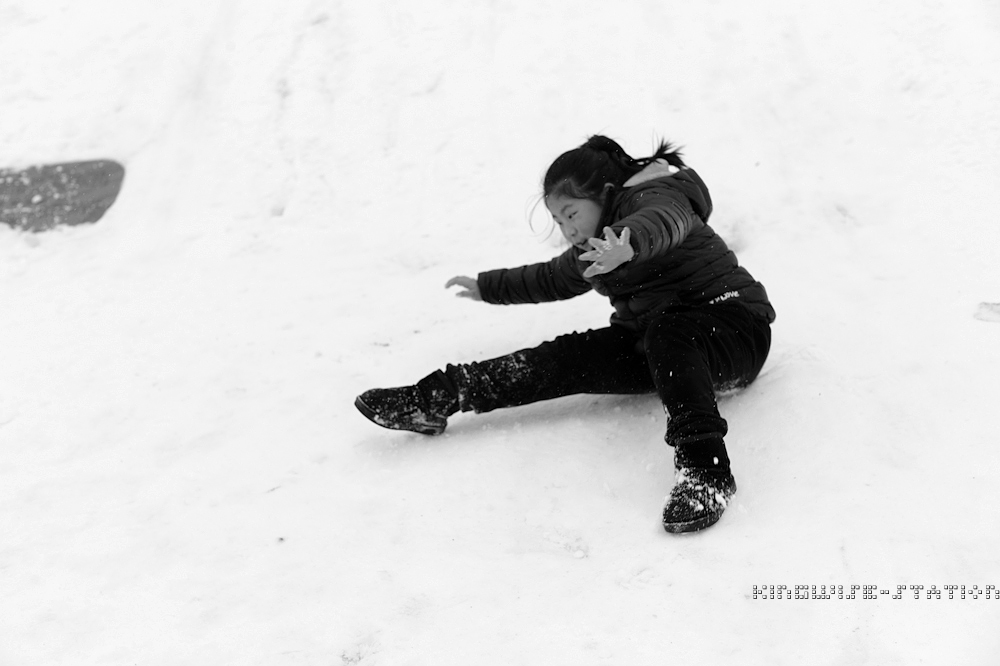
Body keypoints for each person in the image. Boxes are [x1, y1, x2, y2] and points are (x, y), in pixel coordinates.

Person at [354, 135, 775, 533]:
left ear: (606, 193)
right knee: (569, 356)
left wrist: (628, 244)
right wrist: (488, 286)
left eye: (571, 214)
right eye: (559, 220)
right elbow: (550, 278)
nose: (568, 229)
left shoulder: (656, 195)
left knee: (669, 332)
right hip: (663, 346)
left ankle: (706, 475)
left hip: (734, 330)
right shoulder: (593, 249)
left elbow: (665, 221)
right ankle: (436, 397)